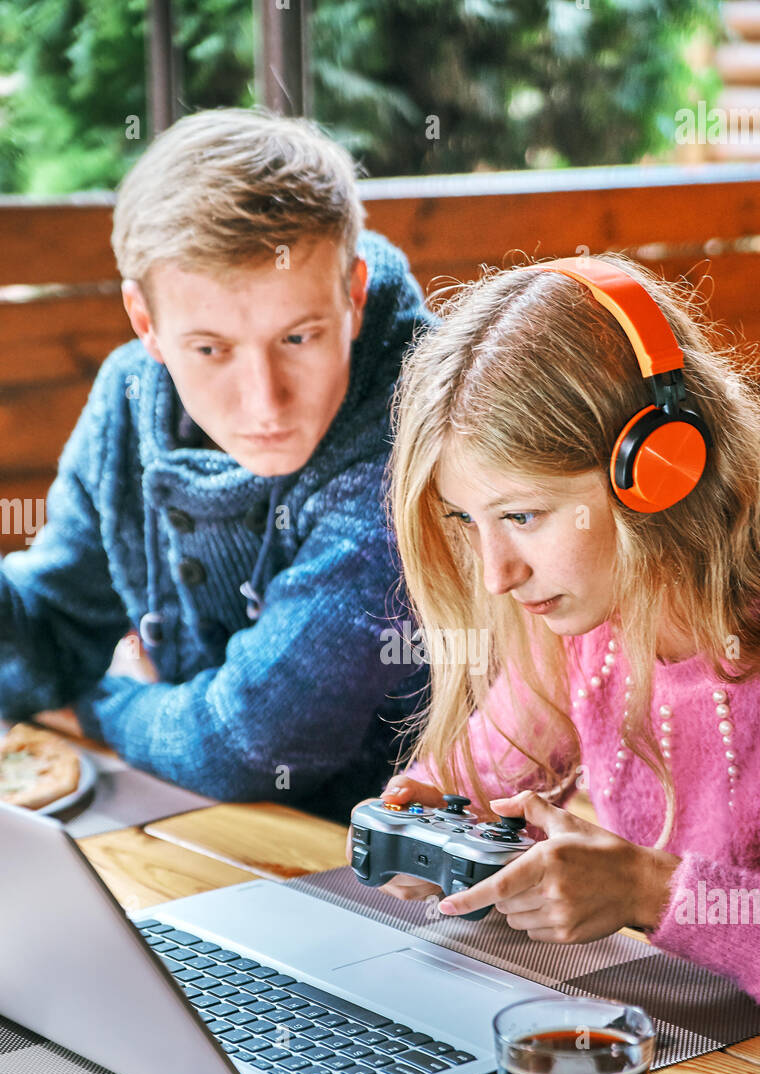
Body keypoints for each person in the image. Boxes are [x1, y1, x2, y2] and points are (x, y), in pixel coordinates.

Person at [349, 251, 760, 1026]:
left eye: (522, 515)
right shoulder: (580, 620)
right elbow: (481, 772)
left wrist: (648, 891)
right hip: (676, 1048)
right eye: (468, 521)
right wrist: (439, 818)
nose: (495, 574)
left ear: (660, 467)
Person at [0, 107, 437, 823]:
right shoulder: (131, 398)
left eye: (298, 337)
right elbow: (48, 639)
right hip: (213, 833)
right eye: (210, 350)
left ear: (352, 295)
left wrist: (103, 701)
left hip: (396, 884)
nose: (264, 401)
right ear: (146, 323)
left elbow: (250, 743)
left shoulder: (417, 426)